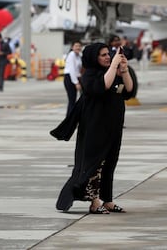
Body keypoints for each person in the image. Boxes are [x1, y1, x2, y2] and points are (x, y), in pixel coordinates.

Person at [55, 42, 136, 214]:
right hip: (95, 128)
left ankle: (107, 200)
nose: (108, 57)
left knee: (109, 163)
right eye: (104, 55)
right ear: (94, 58)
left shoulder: (114, 74)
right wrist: (114, 65)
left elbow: (128, 91)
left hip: (113, 128)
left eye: (109, 54)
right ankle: (94, 201)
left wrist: (124, 70)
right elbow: (102, 86)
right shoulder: (89, 76)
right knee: (94, 165)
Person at [63, 41, 83, 116]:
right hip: (70, 78)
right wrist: (76, 83)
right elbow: (72, 70)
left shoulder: (79, 55)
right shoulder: (71, 55)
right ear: (72, 47)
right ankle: (69, 118)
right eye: (76, 46)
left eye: (79, 46)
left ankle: (71, 117)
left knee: (75, 99)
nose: (78, 47)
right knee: (72, 100)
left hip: (76, 77)